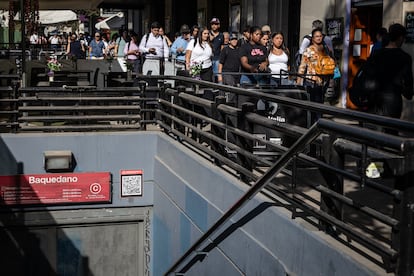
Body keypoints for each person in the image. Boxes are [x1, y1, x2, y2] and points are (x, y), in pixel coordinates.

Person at [367, 23, 413, 133]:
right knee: (391, 132)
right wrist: (408, 93)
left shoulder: (377, 54)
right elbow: (408, 81)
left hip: (376, 97)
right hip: (393, 99)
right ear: (400, 38)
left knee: (375, 132)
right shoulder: (404, 57)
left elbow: (369, 74)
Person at [218, 33, 241, 104]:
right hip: (227, 72)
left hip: (236, 74)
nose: (234, 41)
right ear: (229, 41)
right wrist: (219, 75)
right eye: (232, 39)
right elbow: (221, 63)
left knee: (235, 90)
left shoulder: (239, 50)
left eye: (235, 39)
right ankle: (228, 105)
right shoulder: (225, 50)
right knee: (232, 87)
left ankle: (233, 105)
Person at [209, 17, 224, 82]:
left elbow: (222, 46)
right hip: (209, 57)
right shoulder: (208, 33)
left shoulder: (221, 35)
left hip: (217, 57)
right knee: (209, 74)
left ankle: (217, 88)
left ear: (218, 25)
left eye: (215, 24)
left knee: (217, 74)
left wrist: (222, 56)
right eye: (212, 24)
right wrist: (209, 40)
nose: (214, 26)